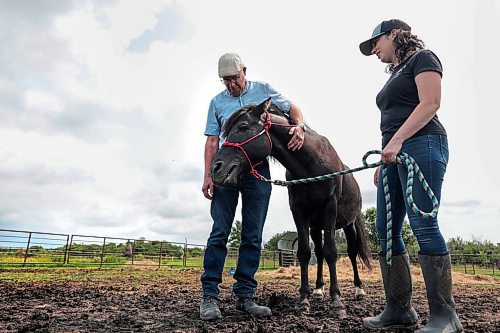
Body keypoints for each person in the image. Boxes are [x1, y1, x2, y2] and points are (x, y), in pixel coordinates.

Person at [359, 20, 463, 332]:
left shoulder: (424, 58)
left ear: (394, 34)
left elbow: (430, 103)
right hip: (396, 152)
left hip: (424, 143)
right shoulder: (395, 74)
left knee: (423, 224)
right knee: (384, 228)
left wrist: (397, 141)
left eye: (376, 43)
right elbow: (392, 122)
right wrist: (385, 157)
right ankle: (399, 310)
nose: (374, 50)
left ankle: (446, 318)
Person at [200, 52, 306, 320]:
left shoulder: (263, 91)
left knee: (252, 235)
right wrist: (208, 175)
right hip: (226, 168)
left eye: (234, 78)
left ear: (244, 71)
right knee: (219, 232)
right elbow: (213, 141)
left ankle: (245, 295)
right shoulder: (217, 102)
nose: (231, 85)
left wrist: (299, 126)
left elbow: (293, 108)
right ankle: (209, 296)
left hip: (256, 169)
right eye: (225, 81)